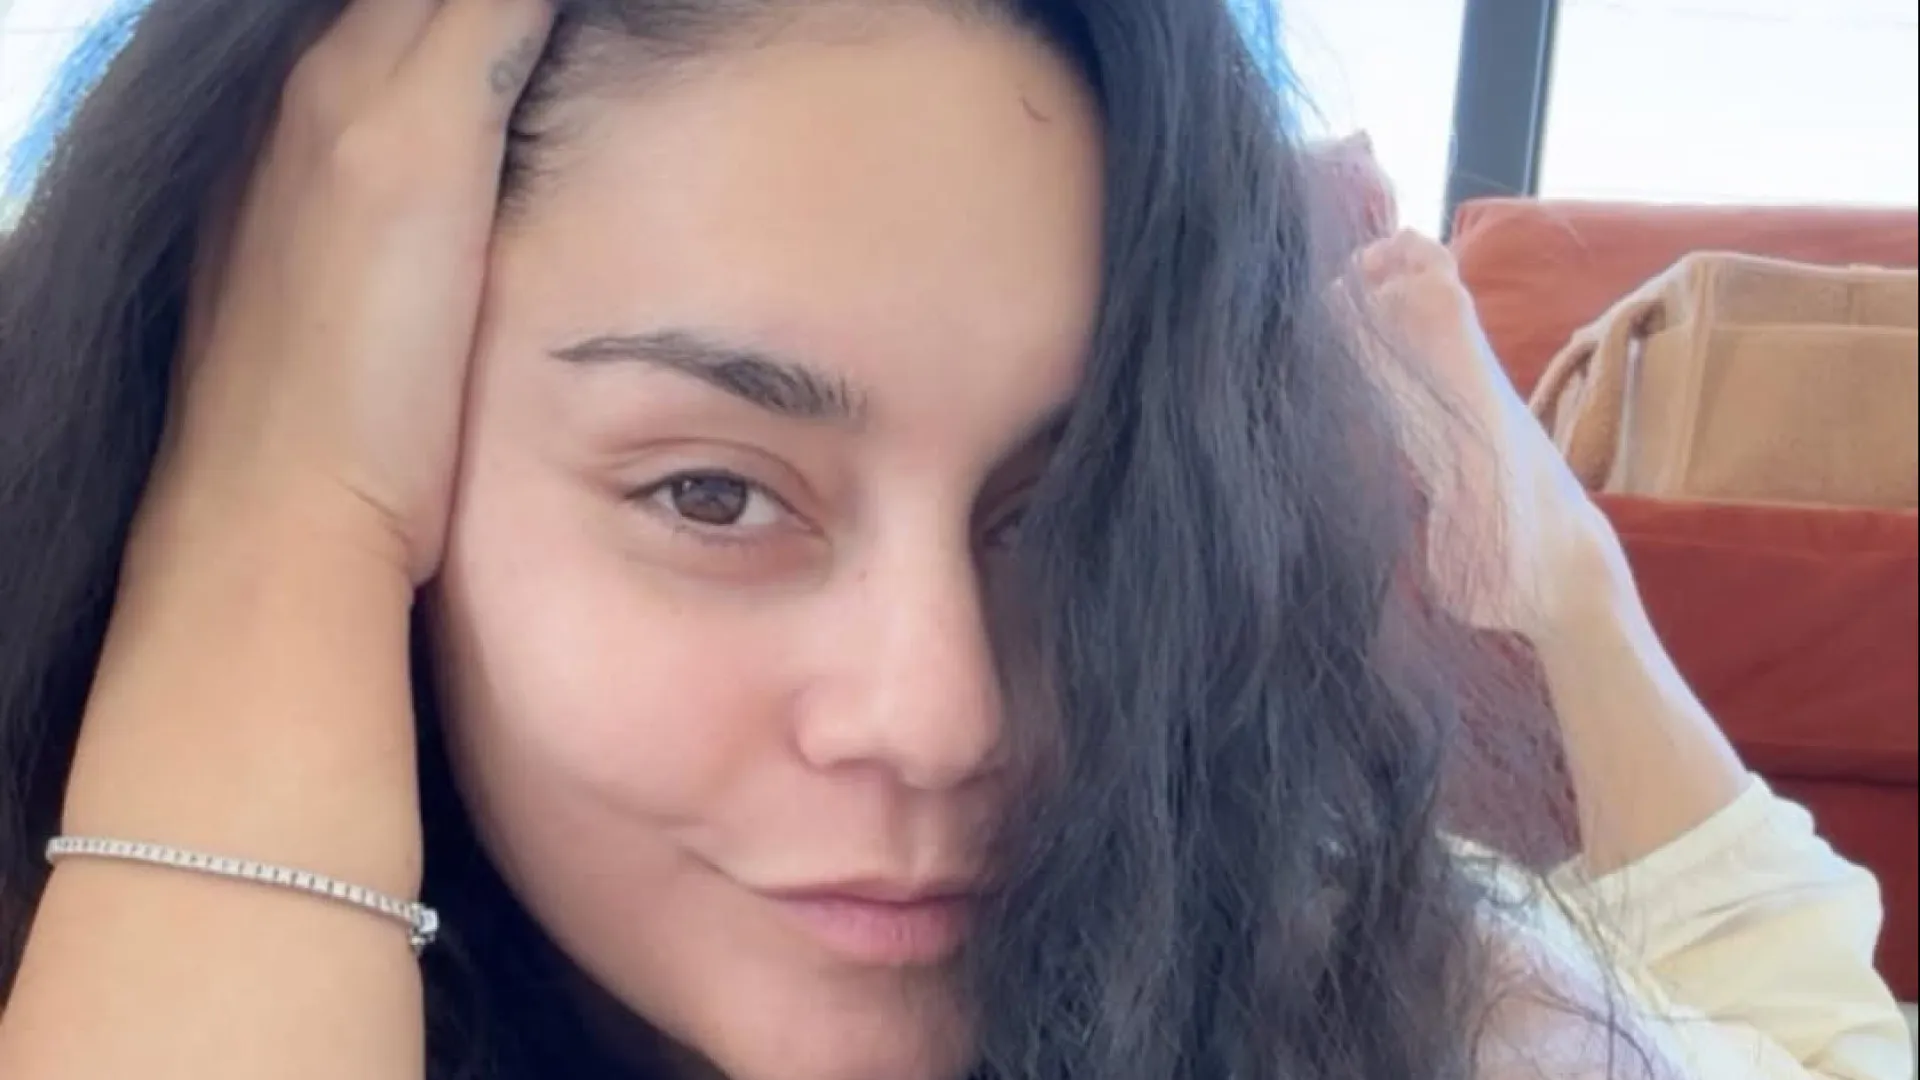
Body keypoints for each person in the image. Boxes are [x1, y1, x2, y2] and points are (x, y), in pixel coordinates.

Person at [0, 1, 1908, 1079]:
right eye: (713, 493)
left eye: (1065, 506)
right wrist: (266, 519)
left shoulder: (1352, 968)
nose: (947, 716)